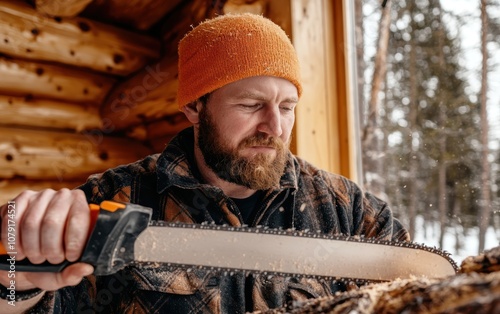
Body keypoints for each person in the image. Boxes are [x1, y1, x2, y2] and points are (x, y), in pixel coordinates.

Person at [0, 13, 409, 313]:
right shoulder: (114, 199)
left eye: (287, 106)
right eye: (251, 105)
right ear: (195, 108)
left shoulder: (350, 212)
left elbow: (419, 291)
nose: (275, 126)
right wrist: (10, 274)